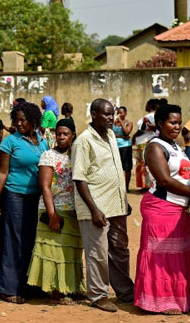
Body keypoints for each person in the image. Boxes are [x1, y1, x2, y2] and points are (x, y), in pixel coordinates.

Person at [72, 98, 134, 313]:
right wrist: (94, 209)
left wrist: (123, 199)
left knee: (120, 249)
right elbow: (79, 178)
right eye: (106, 114)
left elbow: (116, 171)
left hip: (116, 205)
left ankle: (125, 291)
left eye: (112, 113)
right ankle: (98, 295)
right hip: (95, 207)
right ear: (94, 114)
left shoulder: (110, 136)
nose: (111, 118)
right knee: (97, 252)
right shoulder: (83, 141)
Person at [134, 104, 190, 315]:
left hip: (180, 208)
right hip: (161, 208)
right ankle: (160, 302)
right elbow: (165, 181)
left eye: (179, 122)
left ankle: (180, 298)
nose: (177, 126)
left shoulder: (176, 146)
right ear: (160, 123)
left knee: (179, 256)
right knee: (162, 257)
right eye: (172, 122)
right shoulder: (155, 146)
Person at [0, 101, 48, 304]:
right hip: (14, 196)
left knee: (32, 240)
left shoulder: (43, 141)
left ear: (34, 120)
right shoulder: (10, 142)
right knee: (13, 241)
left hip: (37, 198)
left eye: (23, 120)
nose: (19, 123)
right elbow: (2, 172)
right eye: (16, 120)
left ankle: (29, 285)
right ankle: (8, 288)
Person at [27, 119, 85, 305]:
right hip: (54, 209)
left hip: (74, 210)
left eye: (65, 134)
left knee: (70, 252)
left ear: (73, 135)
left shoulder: (77, 155)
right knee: (54, 252)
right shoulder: (48, 156)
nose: (61, 137)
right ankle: (56, 292)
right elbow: (45, 187)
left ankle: (71, 287)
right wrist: (52, 215)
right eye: (58, 133)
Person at [132, 99, 158, 189]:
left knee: (144, 165)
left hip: (144, 142)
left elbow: (142, 129)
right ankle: (147, 184)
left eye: (146, 105)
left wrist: (134, 136)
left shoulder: (150, 116)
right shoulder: (154, 116)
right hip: (146, 141)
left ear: (150, 106)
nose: (145, 106)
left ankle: (146, 185)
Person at [113, 107, 133, 192]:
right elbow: (110, 133)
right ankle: (117, 187)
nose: (119, 114)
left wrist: (121, 122)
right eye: (118, 112)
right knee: (116, 167)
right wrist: (122, 137)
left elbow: (126, 132)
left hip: (125, 147)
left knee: (127, 168)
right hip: (115, 146)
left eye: (121, 113)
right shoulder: (113, 123)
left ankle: (126, 187)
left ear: (125, 113)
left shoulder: (129, 123)